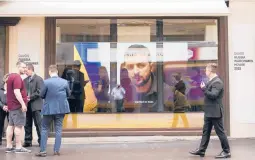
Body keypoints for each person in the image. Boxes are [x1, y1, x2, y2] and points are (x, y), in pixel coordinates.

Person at [189, 63, 231, 159]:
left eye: (206, 70)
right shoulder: (211, 81)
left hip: (215, 112)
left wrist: (204, 88)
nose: (205, 72)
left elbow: (213, 95)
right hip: (209, 112)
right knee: (206, 131)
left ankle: (226, 151)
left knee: (220, 132)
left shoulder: (217, 82)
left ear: (210, 71)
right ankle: (202, 150)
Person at [122, 44, 171, 112]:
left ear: (151, 67)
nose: (136, 72)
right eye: (130, 67)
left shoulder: (167, 92)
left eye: (141, 65)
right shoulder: (122, 92)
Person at [36, 65, 70, 157]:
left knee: (44, 129)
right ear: (57, 72)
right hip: (61, 109)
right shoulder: (65, 82)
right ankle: (56, 150)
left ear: (49, 72)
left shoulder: (46, 82)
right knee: (58, 129)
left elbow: (42, 95)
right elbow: (68, 94)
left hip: (49, 109)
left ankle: (43, 151)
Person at [6, 61, 31, 153]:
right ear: (18, 67)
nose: (25, 69)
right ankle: (18, 147)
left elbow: (10, 92)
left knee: (10, 125)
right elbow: (17, 92)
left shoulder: (10, 76)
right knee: (18, 126)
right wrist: (23, 104)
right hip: (17, 107)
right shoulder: (17, 77)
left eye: (26, 68)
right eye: (23, 67)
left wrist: (24, 97)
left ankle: (9, 146)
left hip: (12, 106)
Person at [23, 64, 43, 147]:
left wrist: (30, 97)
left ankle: (41, 141)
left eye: (26, 71)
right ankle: (28, 141)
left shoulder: (39, 79)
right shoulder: (24, 80)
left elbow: (40, 91)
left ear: (31, 69)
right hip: (27, 105)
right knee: (27, 124)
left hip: (36, 105)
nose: (25, 72)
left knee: (38, 124)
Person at [0, 74, 9, 145]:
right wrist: (3, 106)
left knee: (11, 124)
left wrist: (9, 106)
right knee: (0, 124)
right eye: (7, 78)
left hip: (10, 108)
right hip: (1, 108)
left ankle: (10, 140)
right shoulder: (0, 88)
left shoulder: (12, 88)